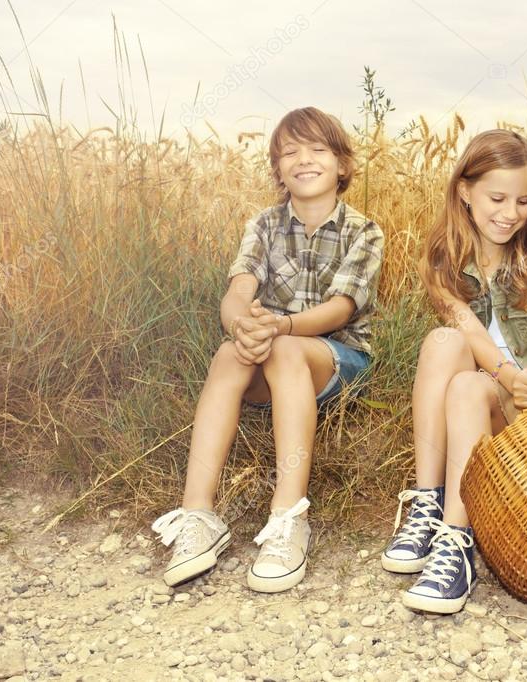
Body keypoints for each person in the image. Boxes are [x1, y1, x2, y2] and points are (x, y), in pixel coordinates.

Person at [152, 107, 384, 592]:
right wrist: (243, 327)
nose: (304, 159)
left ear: (342, 165)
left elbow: (342, 308)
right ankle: (198, 517)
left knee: (285, 350)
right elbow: (238, 291)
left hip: (339, 362)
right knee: (226, 355)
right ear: (277, 169)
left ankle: (289, 516)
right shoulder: (263, 224)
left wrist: (281, 326)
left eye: (318, 149)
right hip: (271, 351)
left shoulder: (363, 230)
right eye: (289, 152)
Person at [382, 129, 527, 613]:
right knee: (445, 344)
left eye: (522, 200)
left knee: (471, 384)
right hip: (483, 401)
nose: (510, 212)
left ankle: (455, 542)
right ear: (464, 191)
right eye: (497, 197)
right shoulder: (441, 259)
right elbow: (468, 331)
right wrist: (503, 375)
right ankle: (431, 504)